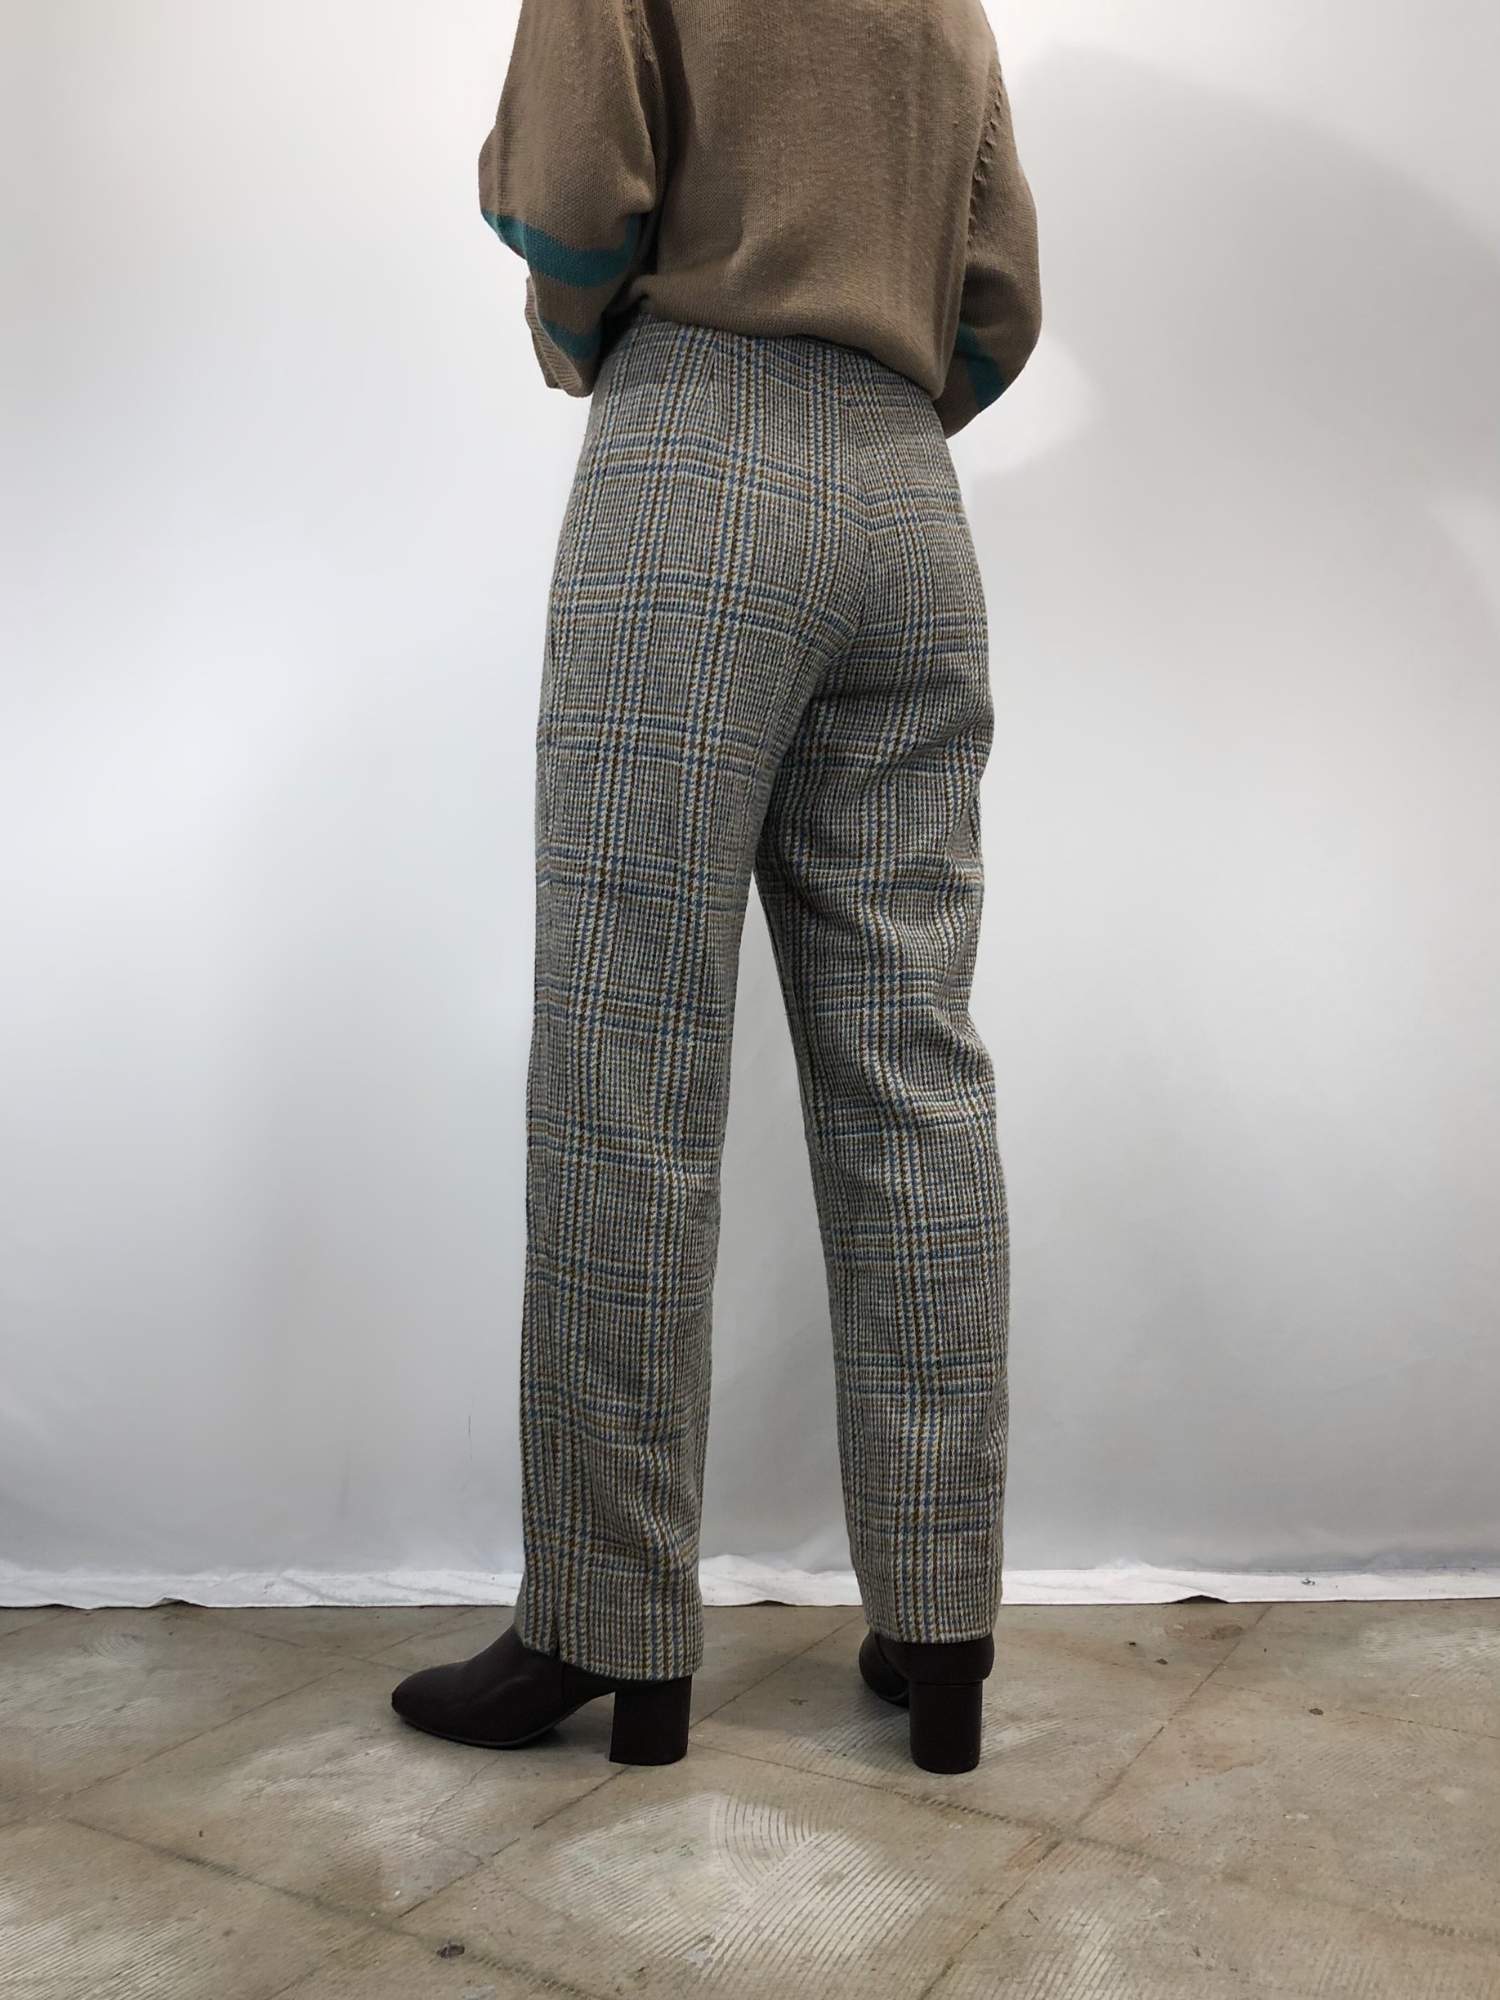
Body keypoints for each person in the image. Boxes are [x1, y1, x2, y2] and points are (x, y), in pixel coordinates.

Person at [392, 0, 1042, 1776]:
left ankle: (607, 1628)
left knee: (631, 1060)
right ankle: (943, 1628)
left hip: (696, 445)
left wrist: (591, 339)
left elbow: (569, 186)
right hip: (910, 502)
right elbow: (999, 298)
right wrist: (874, 395)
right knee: (913, 1068)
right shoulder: (951, 6)